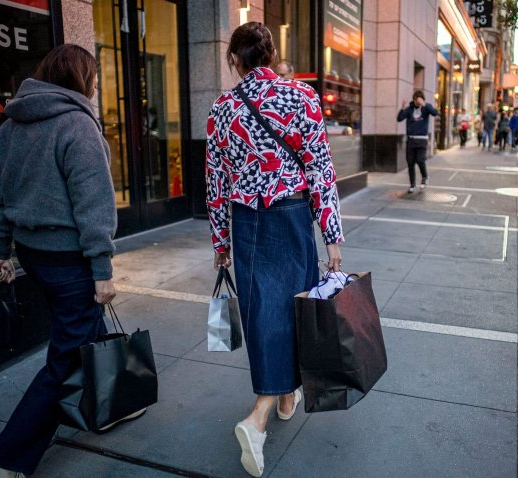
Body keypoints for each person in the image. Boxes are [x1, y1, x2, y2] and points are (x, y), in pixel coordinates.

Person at [205, 22, 343, 477]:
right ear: (270, 55)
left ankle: (285, 395)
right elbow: (321, 170)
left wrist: (221, 241)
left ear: (234, 60)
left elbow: (216, 184)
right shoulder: (302, 98)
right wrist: (332, 236)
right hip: (292, 217)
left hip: (247, 223)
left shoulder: (222, 109)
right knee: (297, 308)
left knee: (265, 312)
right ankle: (261, 414)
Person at [0, 45, 117, 478]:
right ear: (83, 79)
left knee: (90, 330)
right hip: (69, 259)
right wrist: (102, 270)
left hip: (33, 255)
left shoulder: (11, 127)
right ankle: (5, 458)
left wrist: (0, 251)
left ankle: (112, 402)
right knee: (66, 358)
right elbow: (94, 206)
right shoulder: (78, 125)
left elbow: (3, 197)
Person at [397, 90, 439, 193]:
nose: (418, 102)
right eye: (416, 100)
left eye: (419, 100)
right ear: (414, 99)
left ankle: (425, 177)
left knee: (420, 160)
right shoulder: (409, 109)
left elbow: (435, 113)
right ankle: (412, 185)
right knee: (410, 163)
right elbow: (399, 119)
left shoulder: (426, 108)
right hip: (411, 140)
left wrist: (424, 104)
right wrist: (402, 108)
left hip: (422, 139)